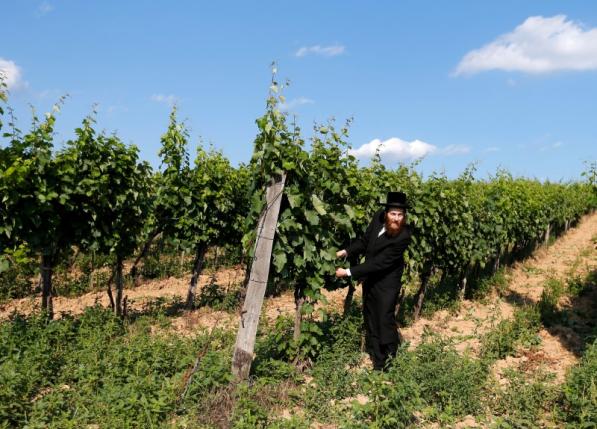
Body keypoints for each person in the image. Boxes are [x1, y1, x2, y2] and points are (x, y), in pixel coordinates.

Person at [335, 191, 411, 370]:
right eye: (393, 214)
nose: (397, 218)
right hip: (370, 277)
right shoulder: (378, 219)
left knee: (384, 317)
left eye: (400, 215)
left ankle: (392, 360)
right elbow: (364, 242)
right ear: (386, 214)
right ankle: (378, 362)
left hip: (388, 281)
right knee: (370, 316)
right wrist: (345, 252)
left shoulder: (404, 236)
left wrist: (347, 272)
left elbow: (379, 263)